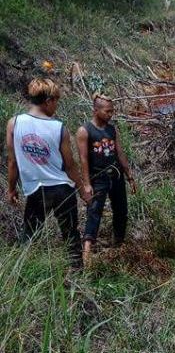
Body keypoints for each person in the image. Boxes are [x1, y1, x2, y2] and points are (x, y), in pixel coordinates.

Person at [6, 78, 91, 269]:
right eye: (56, 101)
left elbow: (12, 162)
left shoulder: (14, 123)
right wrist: (83, 191)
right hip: (61, 189)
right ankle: (77, 273)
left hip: (35, 189)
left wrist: (11, 189)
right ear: (48, 101)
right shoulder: (58, 128)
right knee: (70, 234)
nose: (56, 106)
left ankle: (22, 271)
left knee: (29, 234)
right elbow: (70, 165)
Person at [76, 94, 136, 260]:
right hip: (98, 177)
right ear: (96, 110)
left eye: (112, 111)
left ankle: (119, 245)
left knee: (121, 210)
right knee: (94, 211)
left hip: (115, 176)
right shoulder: (84, 131)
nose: (110, 114)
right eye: (107, 111)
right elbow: (83, 159)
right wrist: (86, 184)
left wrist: (129, 176)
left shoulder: (111, 129)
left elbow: (120, 152)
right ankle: (87, 253)